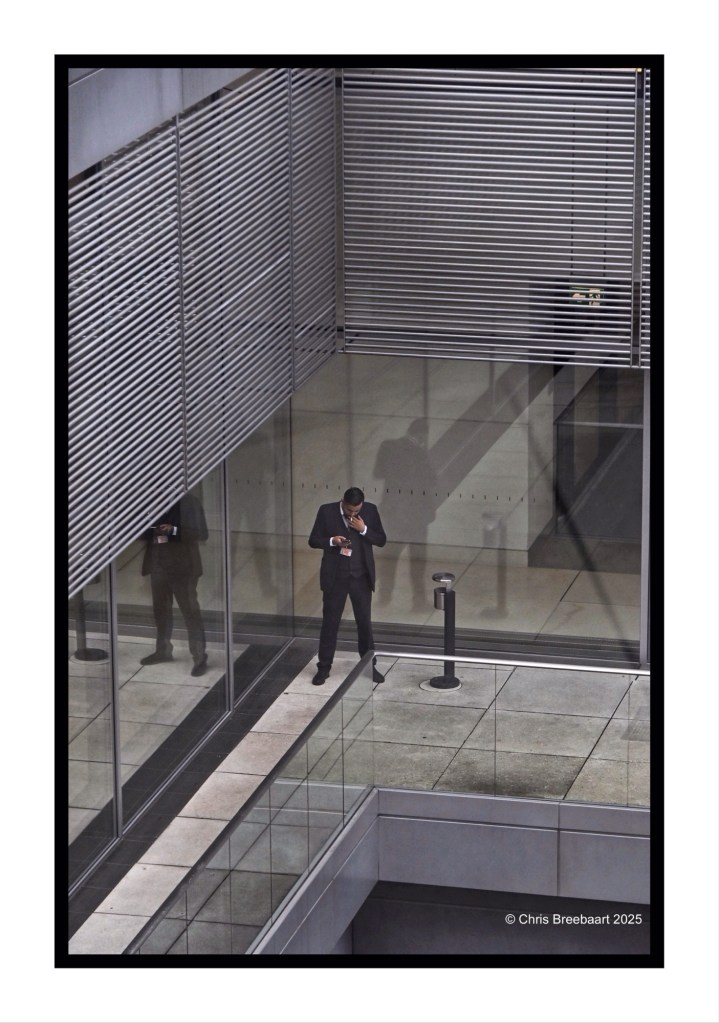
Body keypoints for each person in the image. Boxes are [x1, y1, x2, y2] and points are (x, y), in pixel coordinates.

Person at [308, 486, 386, 686]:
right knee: (330, 623)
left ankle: (370, 665)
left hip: (361, 577)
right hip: (335, 577)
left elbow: (381, 539)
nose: (353, 514)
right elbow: (313, 540)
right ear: (342, 501)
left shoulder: (370, 511)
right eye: (349, 510)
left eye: (356, 511)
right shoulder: (326, 511)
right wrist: (332, 541)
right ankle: (323, 668)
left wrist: (364, 529)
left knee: (364, 623)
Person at [139, 492, 209, 677]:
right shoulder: (152, 500)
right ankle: (163, 650)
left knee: (189, 611)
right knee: (160, 610)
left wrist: (173, 531)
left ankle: (199, 656)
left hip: (182, 567)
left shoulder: (188, 502)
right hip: (159, 564)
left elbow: (201, 533)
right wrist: (154, 530)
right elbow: (140, 531)